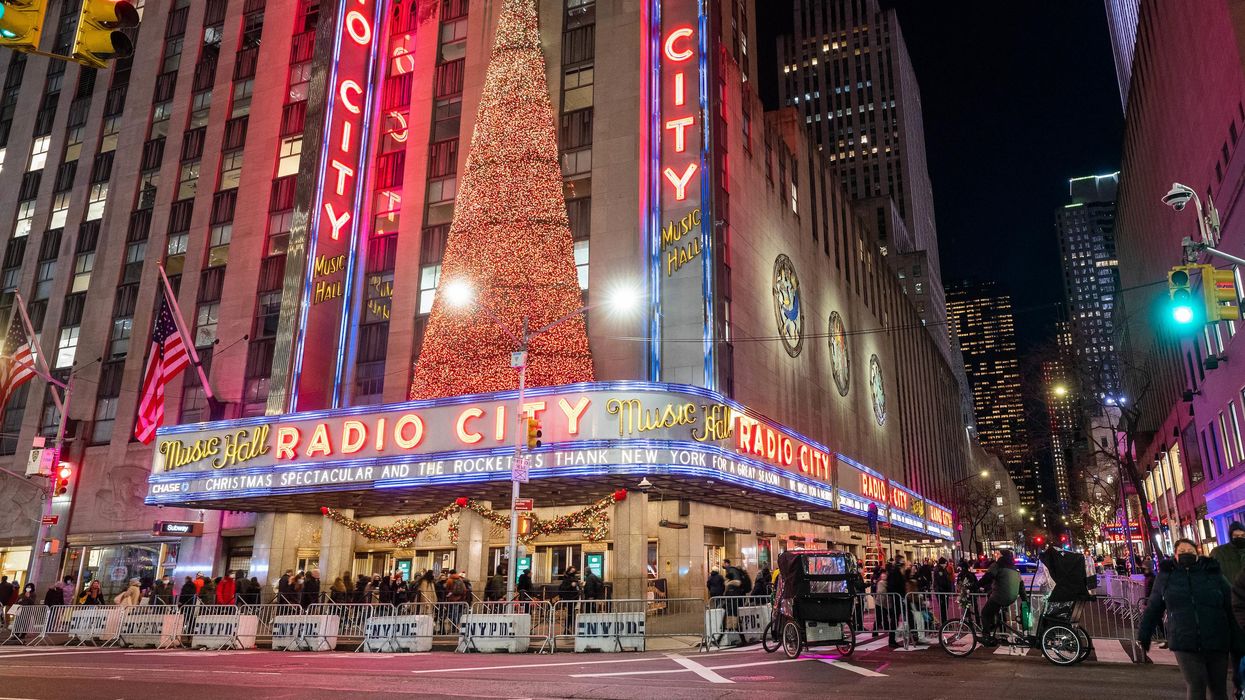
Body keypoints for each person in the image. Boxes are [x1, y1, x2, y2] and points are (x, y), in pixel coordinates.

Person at [1143, 539, 1239, 700]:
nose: (1186, 553)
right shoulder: (1166, 577)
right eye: (1181, 551)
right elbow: (1154, 606)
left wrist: (1238, 636)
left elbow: (1231, 604)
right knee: (1196, 686)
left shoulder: (1212, 572)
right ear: (1175, 555)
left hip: (1216, 639)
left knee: (1219, 689)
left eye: (1190, 550)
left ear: (1198, 553)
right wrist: (1145, 632)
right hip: (1184, 640)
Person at [975, 549, 1021, 646]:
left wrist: (974, 586)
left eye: (998, 554)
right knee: (994, 612)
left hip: (1001, 596)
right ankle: (997, 631)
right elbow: (1021, 585)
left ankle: (986, 637)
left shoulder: (997, 565)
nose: (996, 555)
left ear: (1002, 556)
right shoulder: (1014, 567)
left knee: (985, 613)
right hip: (1012, 597)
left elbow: (987, 577)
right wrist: (1025, 600)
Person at [933, 557, 954, 624]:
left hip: (943, 591)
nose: (946, 564)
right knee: (943, 608)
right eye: (945, 563)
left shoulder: (942, 569)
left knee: (944, 607)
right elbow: (942, 582)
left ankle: (944, 621)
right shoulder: (939, 570)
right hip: (941, 591)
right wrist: (947, 589)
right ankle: (944, 622)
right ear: (943, 563)